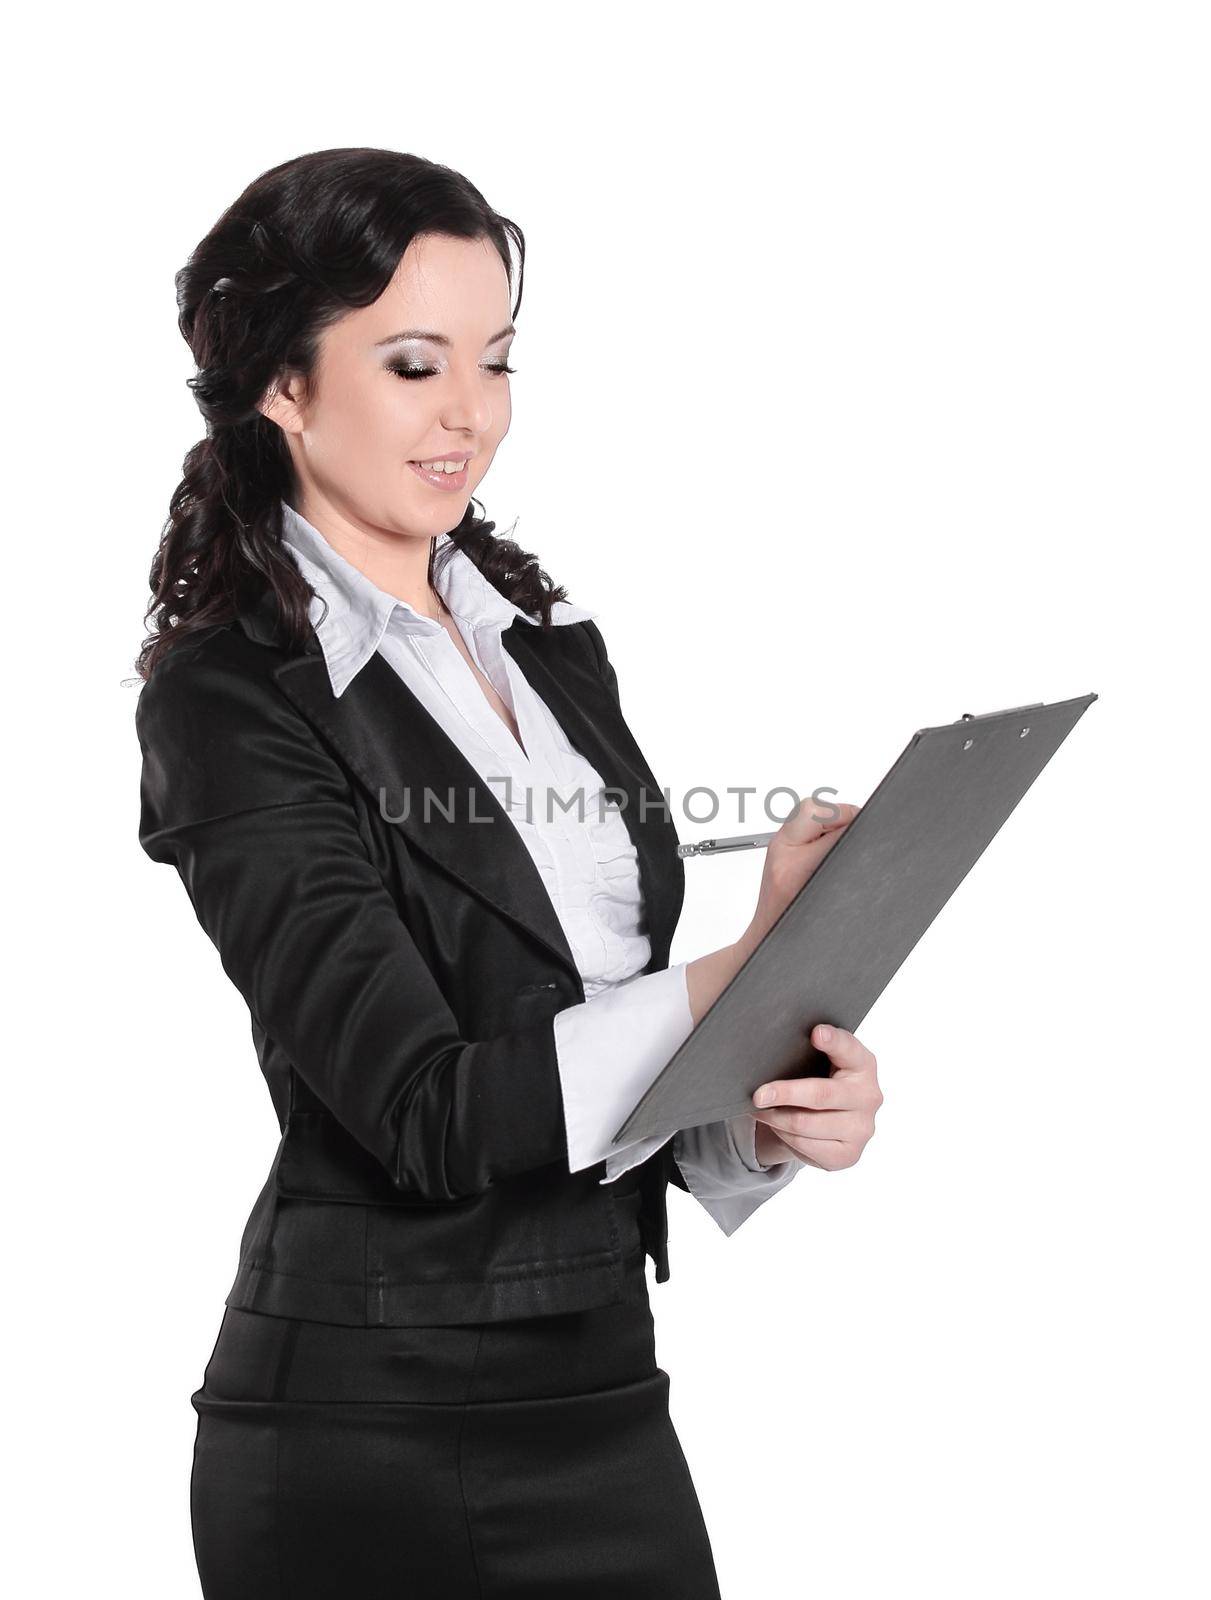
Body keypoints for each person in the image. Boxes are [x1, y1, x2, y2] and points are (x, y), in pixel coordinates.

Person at [133, 146, 883, 1599]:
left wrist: (765, 1098)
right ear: (283, 386)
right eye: (414, 363)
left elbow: (599, 1030)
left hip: (599, 1377)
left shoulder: (548, 653)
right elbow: (426, 1111)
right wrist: (734, 974)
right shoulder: (230, 703)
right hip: (372, 1420)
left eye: (496, 360)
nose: (470, 414)